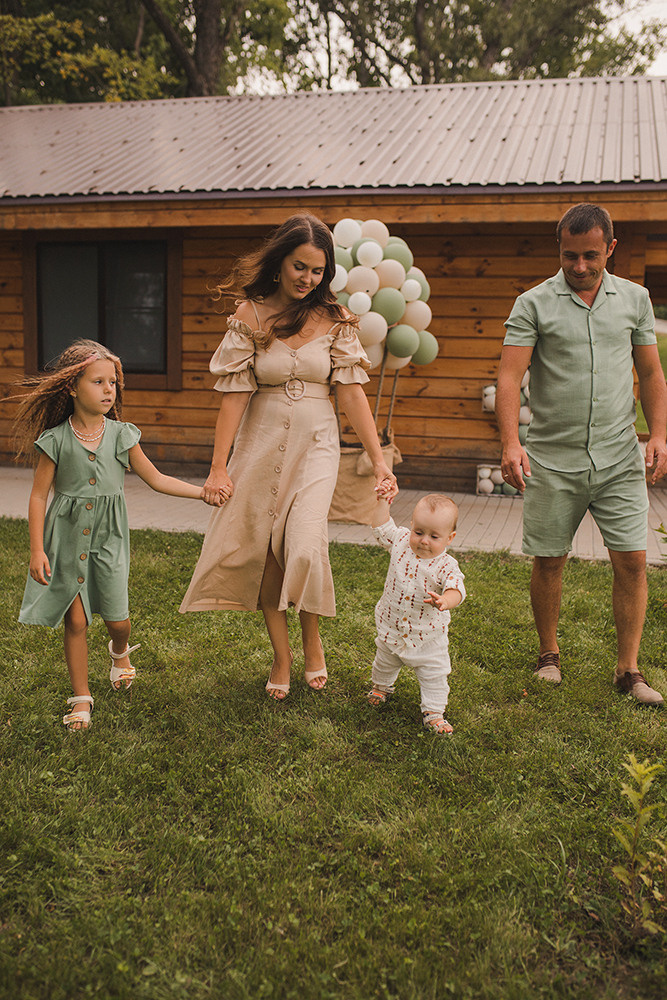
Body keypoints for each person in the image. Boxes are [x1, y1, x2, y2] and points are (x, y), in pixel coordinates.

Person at [179, 213, 398, 700]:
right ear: (279, 263)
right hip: (260, 444)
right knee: (266, 550)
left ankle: (312, 640)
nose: (308, 279)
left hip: (317, 445)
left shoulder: (336, 320)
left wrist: (378, 459)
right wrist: (218, 466)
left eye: (318, 271)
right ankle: (282, 655)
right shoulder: (249, 316)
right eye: (300, 267)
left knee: (303, 543)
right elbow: (233, 396)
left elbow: (353, 394)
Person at [496, 202, 667, 705]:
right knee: (549, 561)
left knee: (633, 561)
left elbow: (652, 374)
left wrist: (657, 434)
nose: (580, 267)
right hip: (552, 457)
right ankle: (548, 655)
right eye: (570, 256)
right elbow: (509, 377)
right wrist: (511, 443)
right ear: (560, 249)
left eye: (591, 256)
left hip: (618, 457)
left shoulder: (635, 300)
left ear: (610, 248)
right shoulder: (533, 303)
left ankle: (628, 670)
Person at [15, 339, 222, 731]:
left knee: (117, 620)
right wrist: (37, 549)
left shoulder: (122, 436)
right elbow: (38, 496)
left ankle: (120, 649)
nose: (109, 389)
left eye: (113, 382)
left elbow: (157, 479)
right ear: (71, 388)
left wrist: (202, 493)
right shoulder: (56, 440)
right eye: (99, 382)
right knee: (75, 621)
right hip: (66, 538)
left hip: (108, 539)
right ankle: (81, 698)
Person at [366, 495, 465, 735]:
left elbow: (457, 588)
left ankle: (433, 712)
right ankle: (381, 687)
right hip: (392, 628)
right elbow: (381, 526)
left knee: (434, 674)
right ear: (411, 525)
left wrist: (445, 600)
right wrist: (382, 500)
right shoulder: (400, 541)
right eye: (418, 532)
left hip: (428, 636)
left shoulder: (446, 565)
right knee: (385, 661)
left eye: (434, 536)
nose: (423, 541)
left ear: (449, 538)